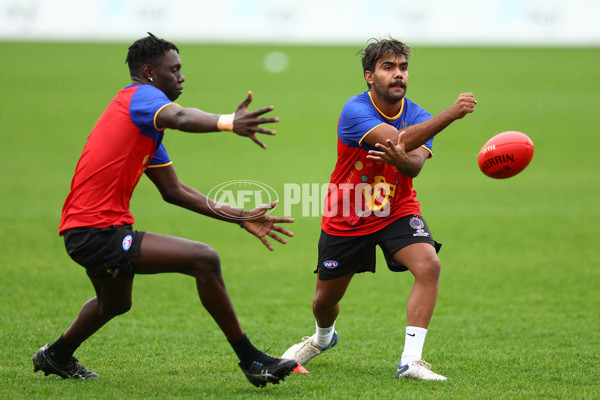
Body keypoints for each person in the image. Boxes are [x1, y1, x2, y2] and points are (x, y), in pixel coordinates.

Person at [32, 33, 298, 388]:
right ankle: (251, 360)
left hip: (92, 230)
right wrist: (227, 122)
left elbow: (175, 191)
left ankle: (56, 355)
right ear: (149, 72)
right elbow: (183, 117)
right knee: (204, 259)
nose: (182, 77)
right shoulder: (141, 98)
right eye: (174, 70)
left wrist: (241, 216)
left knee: (114, 304)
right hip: (96, 231)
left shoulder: (144, 126)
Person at [281, 38, 477, 381]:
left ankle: (410, 361)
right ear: (370, 76)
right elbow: (398, 142)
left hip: (396, 208)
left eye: (402, 67)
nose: (398, 74)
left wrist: (404, 158)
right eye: (389, 68)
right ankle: (322, 338)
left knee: (429, 265)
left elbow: (413, 166)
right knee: (323, 301)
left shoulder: (419, 116)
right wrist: (451, 114)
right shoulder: (354, 110)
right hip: (348, 213)